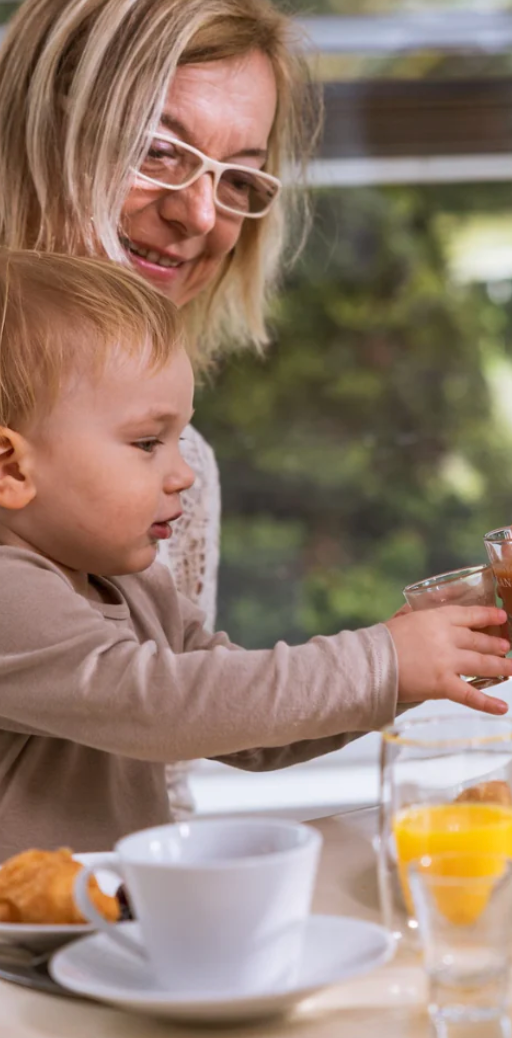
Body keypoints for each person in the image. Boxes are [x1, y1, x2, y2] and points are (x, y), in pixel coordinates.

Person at [0, 249, 512, 859]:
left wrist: (400, 673)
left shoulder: (131, 585)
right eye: (148, 442)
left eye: (178, 438)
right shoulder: (10, 598)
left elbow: (249, 728)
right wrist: (377, 661)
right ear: (12, 467)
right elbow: (165, 707)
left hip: (100, 927)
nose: (182, 475)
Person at [0, 0, 320, 813]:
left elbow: (175, 752)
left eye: (237, 177)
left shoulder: (182, 473)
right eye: (156, 150)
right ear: (37, 129)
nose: (201, 214)